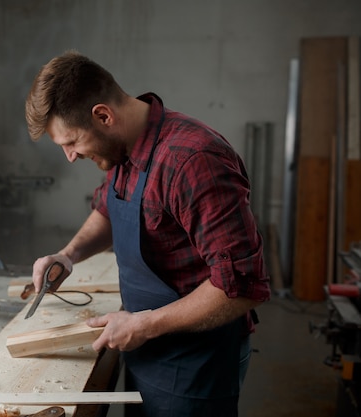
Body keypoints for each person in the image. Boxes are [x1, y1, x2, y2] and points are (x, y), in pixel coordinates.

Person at [25, 51, 271, 417]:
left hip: (197, 363)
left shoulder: (193, 160)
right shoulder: (122, 150)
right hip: (147, 347)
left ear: (103, 116)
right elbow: (108, 209)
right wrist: (69, 255)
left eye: (71, 142)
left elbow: (242, 288)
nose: (70, 157)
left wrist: (145, 323)